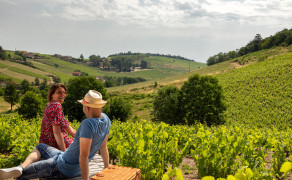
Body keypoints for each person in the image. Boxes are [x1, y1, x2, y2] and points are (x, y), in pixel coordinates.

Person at [0, 90, 111, 180]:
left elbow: (83, 155)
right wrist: (106, 168)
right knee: (41, 146)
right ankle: (20, 167)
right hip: (63, 157)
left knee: (22, 175)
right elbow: (103, 147)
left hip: (61, 167)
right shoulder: (106, 119)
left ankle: (20, 169)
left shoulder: (88, 123)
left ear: (87, 107)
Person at [39, 83, 76, 151]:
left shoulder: (49, 105)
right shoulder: (56, 106)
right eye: (59, 92)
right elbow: (57, 132)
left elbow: (69, 129)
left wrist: (80, 137)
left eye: (64, 93)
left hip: (46, 144)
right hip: (56, 145)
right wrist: (64, 152)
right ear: (52, 94)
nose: (63, 95)